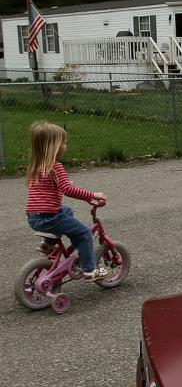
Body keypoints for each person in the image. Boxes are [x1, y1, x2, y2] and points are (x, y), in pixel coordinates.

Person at [25, 121, 110, 282]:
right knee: (84, 233)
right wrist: (92, 195)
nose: (65, 145)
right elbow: (68, 189)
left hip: (34, 217)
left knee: (66, 210)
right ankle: (90, 270)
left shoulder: (36, 166)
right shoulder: (55, 167)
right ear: (54, 147)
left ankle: (48, 243)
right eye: (63, 142)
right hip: (50, 219)